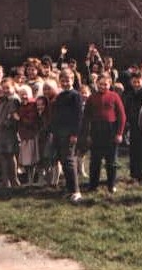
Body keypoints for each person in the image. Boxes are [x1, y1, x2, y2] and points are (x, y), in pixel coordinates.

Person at [84, 73, 126, 194]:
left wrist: (119, 133)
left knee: (111, 161)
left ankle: (111, 185)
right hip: (96, 131)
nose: (103, 86)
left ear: (110, 84)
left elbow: (122, 116)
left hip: (110, 130)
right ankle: (93, 185)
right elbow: (86, 117)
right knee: (95, 161)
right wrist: (88, 134)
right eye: (100, 84)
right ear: (97, 84)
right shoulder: (92, 97)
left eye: (105, 84)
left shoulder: (115, 96)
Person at [49, 68, 83, 202]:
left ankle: (76, 191)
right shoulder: (60, 96)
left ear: (72, 80)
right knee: (63, 161)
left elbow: (79, 116)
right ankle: (69, 189)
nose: (65, 83)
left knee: (69, 161)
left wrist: (75, 134)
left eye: (67, 80)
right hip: (59, 133)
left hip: (70, 133)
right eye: (62, 80)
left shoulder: (76, 95)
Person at [0, 78, 21, 189]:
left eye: (8, 88)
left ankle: (14, 180)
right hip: (0, 132)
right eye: (4, 88)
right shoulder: (4, 100)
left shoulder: (14, 100)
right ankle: (5, 181)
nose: (6, 90)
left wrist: (6, 123)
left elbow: (14, 116)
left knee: (10, 155)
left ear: (14, 87)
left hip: (9, 132)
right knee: (1, 155)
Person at [123, 72, 142, 182]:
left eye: (138, 82)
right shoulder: (128, 95)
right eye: (134, 82)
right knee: (133, 150)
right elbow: (126, 109)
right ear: (131, 82)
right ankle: (134, 174)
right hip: (133, 125)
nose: (136, 84)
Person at [17, 85, 40, 186]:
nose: (23, 96)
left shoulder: (32, 104)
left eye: (25, 94)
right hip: (24, 135)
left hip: (31, 134)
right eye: (21, 95)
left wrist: (19, 118)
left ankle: (34, 179)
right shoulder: (21, 105)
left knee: (33, 158)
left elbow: (31, 121)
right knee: (26, 159)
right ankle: (29, 179)